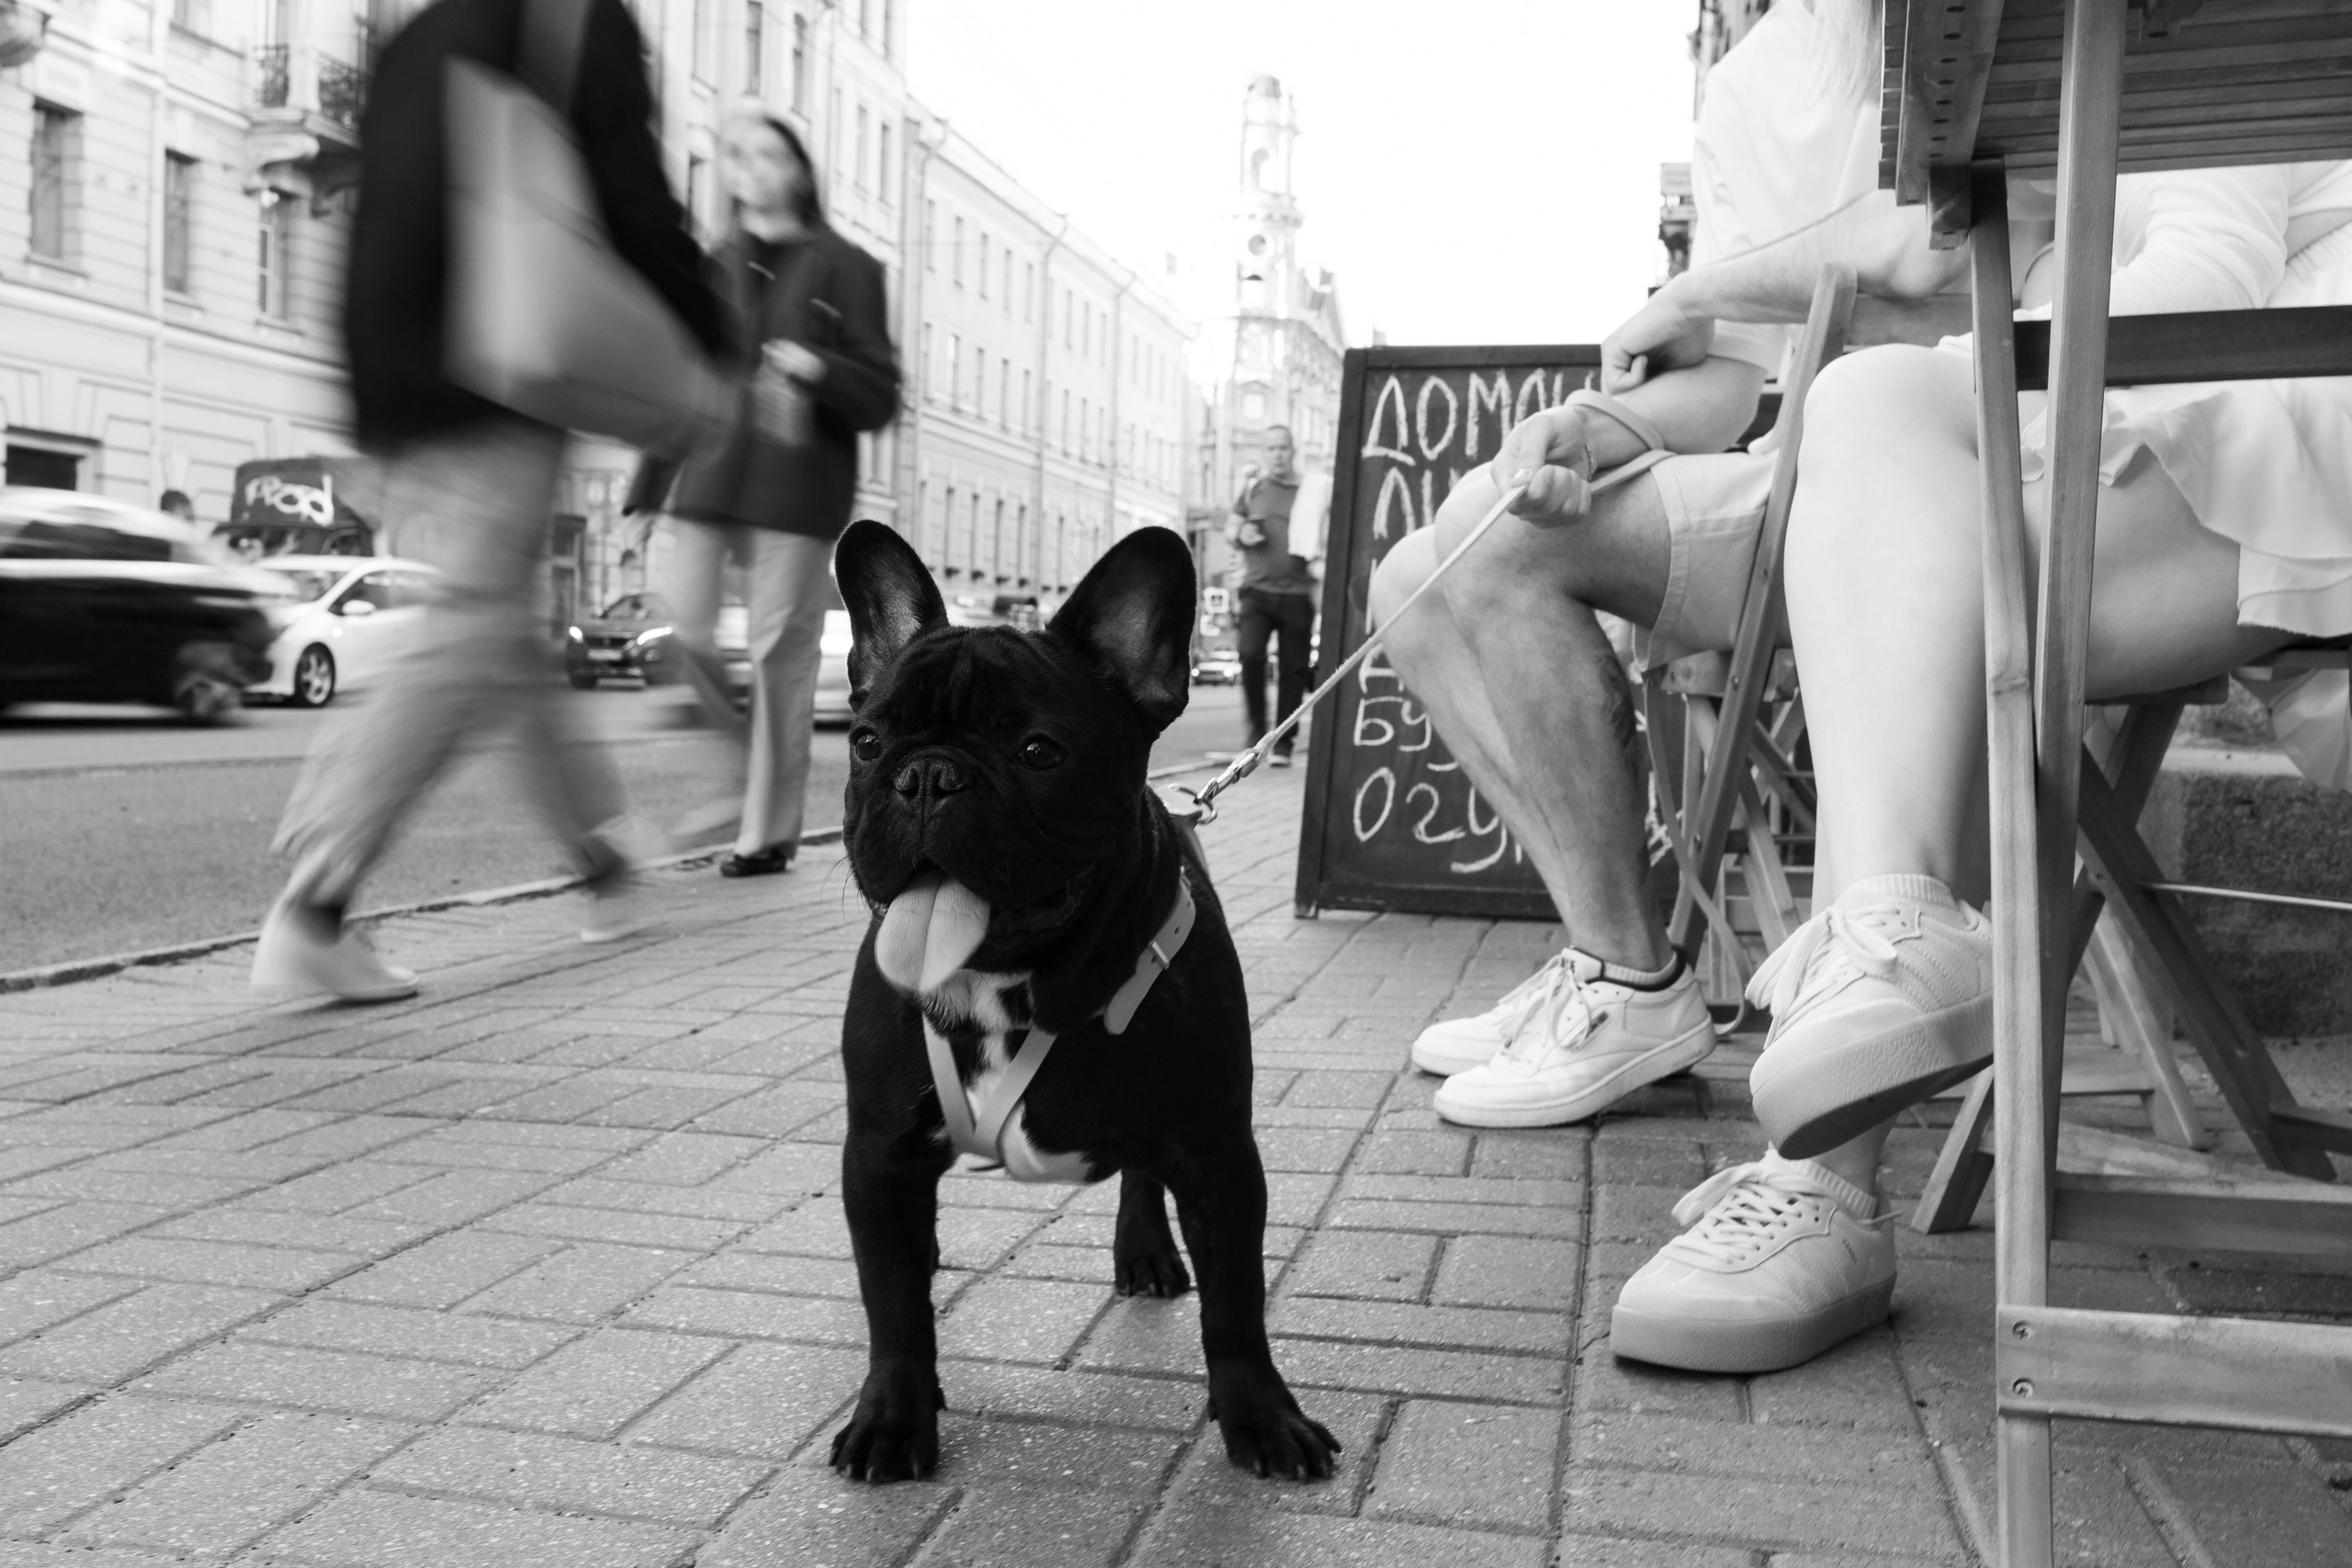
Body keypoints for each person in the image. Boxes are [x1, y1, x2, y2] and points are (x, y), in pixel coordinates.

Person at [1612, 159, 2352, 1374]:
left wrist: (1981, 390)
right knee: (1870, 409)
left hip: (2282, 427)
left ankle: (1823, 1182)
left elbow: (2214, 268)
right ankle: (1893, 940)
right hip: (2183, 437)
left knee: (1916, 557)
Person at [1372, 0, 1968, 1138]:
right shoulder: (1751, 80)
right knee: (1413, 571)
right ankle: (1619, 960)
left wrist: (1694, 293)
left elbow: (1928, 238)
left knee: (1496, 549)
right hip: (1797, 477)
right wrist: (1584, 430)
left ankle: (1627, 984)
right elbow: (1730, 378)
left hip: (1940, 469)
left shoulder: (1967, 28)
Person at [252, 0, 726, 1002]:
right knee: (472, 627)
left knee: (500, 632)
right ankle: (317, 898)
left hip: (391, 364)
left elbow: (369, 202)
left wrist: (360, 399)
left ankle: (601, 864)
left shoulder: (421, 24)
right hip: (489, 359)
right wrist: (710, 340)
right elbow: (631, 197)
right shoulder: (573, 16)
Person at [629, 107, 899, 877]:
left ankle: (766, 829)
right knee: (685, 631)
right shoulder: (713, 262)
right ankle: (744, 770)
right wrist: (648, 492)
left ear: (799, 169)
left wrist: (820, 368)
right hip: (709, 475)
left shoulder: (848, 265)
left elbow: (880, 394)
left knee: (780, 652)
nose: (752, 168)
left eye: (770, 154)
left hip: (799, 486)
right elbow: (678, 377)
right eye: (737, 155)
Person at [1226, 425, 1326, 766]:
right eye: (1271, 449)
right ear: (1264, 452)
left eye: (1283, 448)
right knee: (1250, 655)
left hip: (1298, 593)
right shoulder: (1253, 489)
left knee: (1293, 670)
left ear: (1293, 449)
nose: (1278, 454)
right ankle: (1256, 734)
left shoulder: (1312, 491)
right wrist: (1243, 534)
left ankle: (1282, 745)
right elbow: (1230, 528)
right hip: (1256, 591)